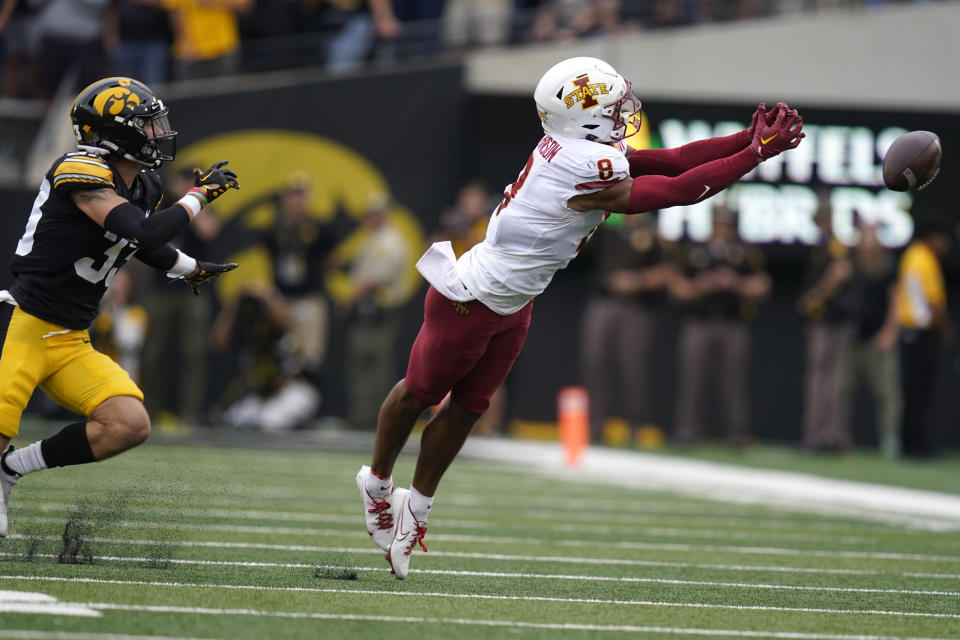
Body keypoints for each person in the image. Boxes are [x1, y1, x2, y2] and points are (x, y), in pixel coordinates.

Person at [354, 56, 804, 580]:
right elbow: (680, 190)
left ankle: (416, 511)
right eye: (612, 108)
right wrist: (755, 155)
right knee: (420, 394)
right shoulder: (582, 165)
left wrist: (746, 139)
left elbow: (676, 158)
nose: (622, 116)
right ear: (583, 117)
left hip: (516, 300)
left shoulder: (584, 149)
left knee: (468, 409)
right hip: (470, 298)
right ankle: (378, 483)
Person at [0, 76, 239, 538]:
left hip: (69, 336)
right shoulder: (80, 169)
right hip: (23, 323)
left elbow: (136, 245)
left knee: (127, 423)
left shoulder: (144, 184)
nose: (158, 133)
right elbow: (143, 232)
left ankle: (10, 471)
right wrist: (200, 195)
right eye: (147, 125)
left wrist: (189, 268)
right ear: (115, 132)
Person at [669, 204, 771, 448]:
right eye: (719, 223)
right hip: (699, 321)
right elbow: (676, 287)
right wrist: (701, 286)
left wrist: (735, 283)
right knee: (692, 380)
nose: (722, 229)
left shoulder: (745, 252)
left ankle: (737, 433)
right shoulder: (694, 250)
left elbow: (762, 286)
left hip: (732, 323)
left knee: (733, 382)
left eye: (726, 224)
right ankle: (687, 431)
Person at [579, 212, 676, 444]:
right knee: (594, 362)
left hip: (636, 307)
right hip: (603, 301)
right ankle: (595, 424)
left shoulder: (653, 235)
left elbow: (668, 272)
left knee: (633, 367)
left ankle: (634, 425)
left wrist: (638, 280)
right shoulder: (606, 228)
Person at [838, 224, 901, 458]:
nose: (867, 240)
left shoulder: (887, 267)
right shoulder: (849, 264)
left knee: (886, 392)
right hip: (851, 336)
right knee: (843, 390)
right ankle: (840, 438)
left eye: (871, 235)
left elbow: (896, 300)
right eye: (864, 235)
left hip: (877, 337)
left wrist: (889, 331)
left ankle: (890, 441)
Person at [895, 212, 955, 458]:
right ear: (932, 237)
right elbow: (934, 304)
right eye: (942, 239)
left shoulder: (913, 255)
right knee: (919, 391)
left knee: (913, 391)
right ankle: (919, 447)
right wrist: (948, 332)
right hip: (921, 332)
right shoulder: (923, 258)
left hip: (912, 333)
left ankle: (911, 445)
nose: (945, 245)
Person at [797, 201, 854, 452]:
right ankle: (818, 434)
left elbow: (841, 272)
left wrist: (816, 295)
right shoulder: (820, 245)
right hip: (823, 320)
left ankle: (830, 436)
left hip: (834, 320)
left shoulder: (836, 245)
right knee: (821, 379)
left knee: (831, 380)